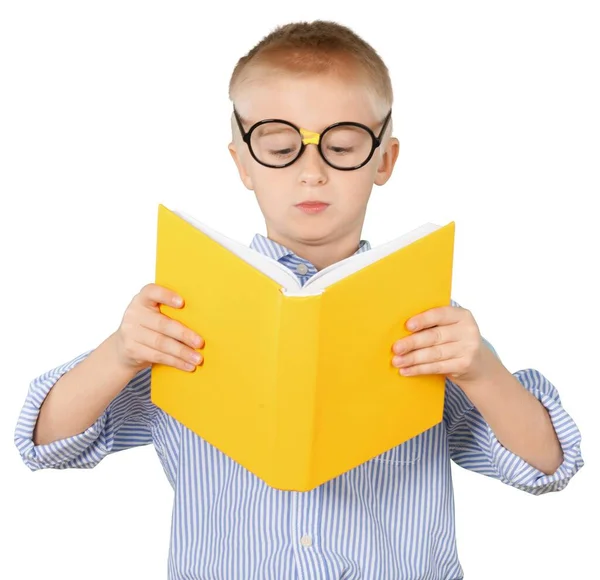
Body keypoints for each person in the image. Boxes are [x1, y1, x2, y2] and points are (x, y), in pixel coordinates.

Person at [14, 20, 584, 580]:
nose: (311, 172)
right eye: (281, 146)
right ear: (242, 162)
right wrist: (120, 353)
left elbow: (546, 467)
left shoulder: (427, 321)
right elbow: (46, 444)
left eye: (341, 145)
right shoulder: (186, 313)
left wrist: (482, 369)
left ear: (384, 159)